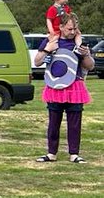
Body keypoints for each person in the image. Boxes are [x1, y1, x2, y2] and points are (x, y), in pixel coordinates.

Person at [33, 13, 92, 163]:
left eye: (75, 29)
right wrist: (48, 49)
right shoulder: (51, 40)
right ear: (61, 27)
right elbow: (37, 62)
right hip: (55, 86)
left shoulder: (79, 43)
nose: (72, 32)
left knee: (74, 123)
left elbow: (89, 66)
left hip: (74, 87)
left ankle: (74, 154)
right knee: (53, 122)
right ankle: (51, 153)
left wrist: (85, 54)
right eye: (69, 29)